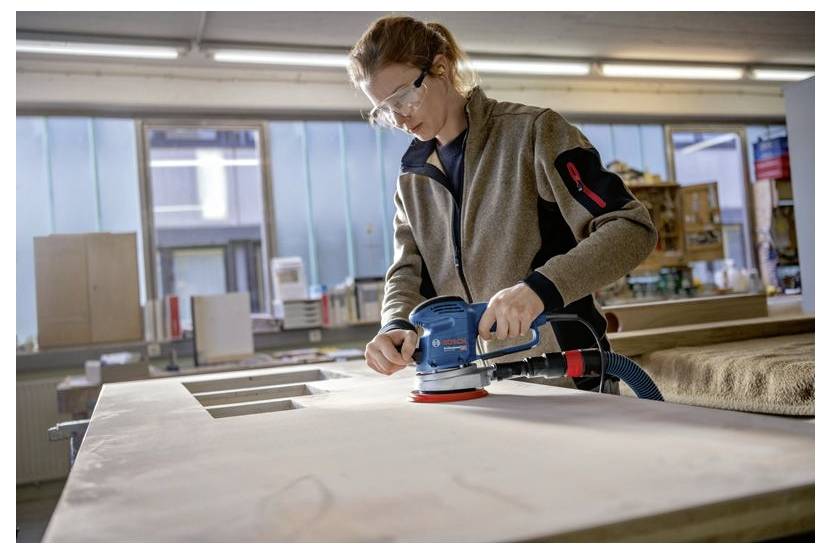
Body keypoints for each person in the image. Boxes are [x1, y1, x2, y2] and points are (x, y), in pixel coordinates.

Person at [347, 16, 658, 393]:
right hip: (480, 384)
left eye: (402, 98)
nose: (398, 117)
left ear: (441, 68)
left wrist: (539, 290)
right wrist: (395, 323)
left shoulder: (533, 134)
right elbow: (406, 272)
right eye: (383, 110)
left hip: (566, 378)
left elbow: (630, 228)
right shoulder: (412, 178)